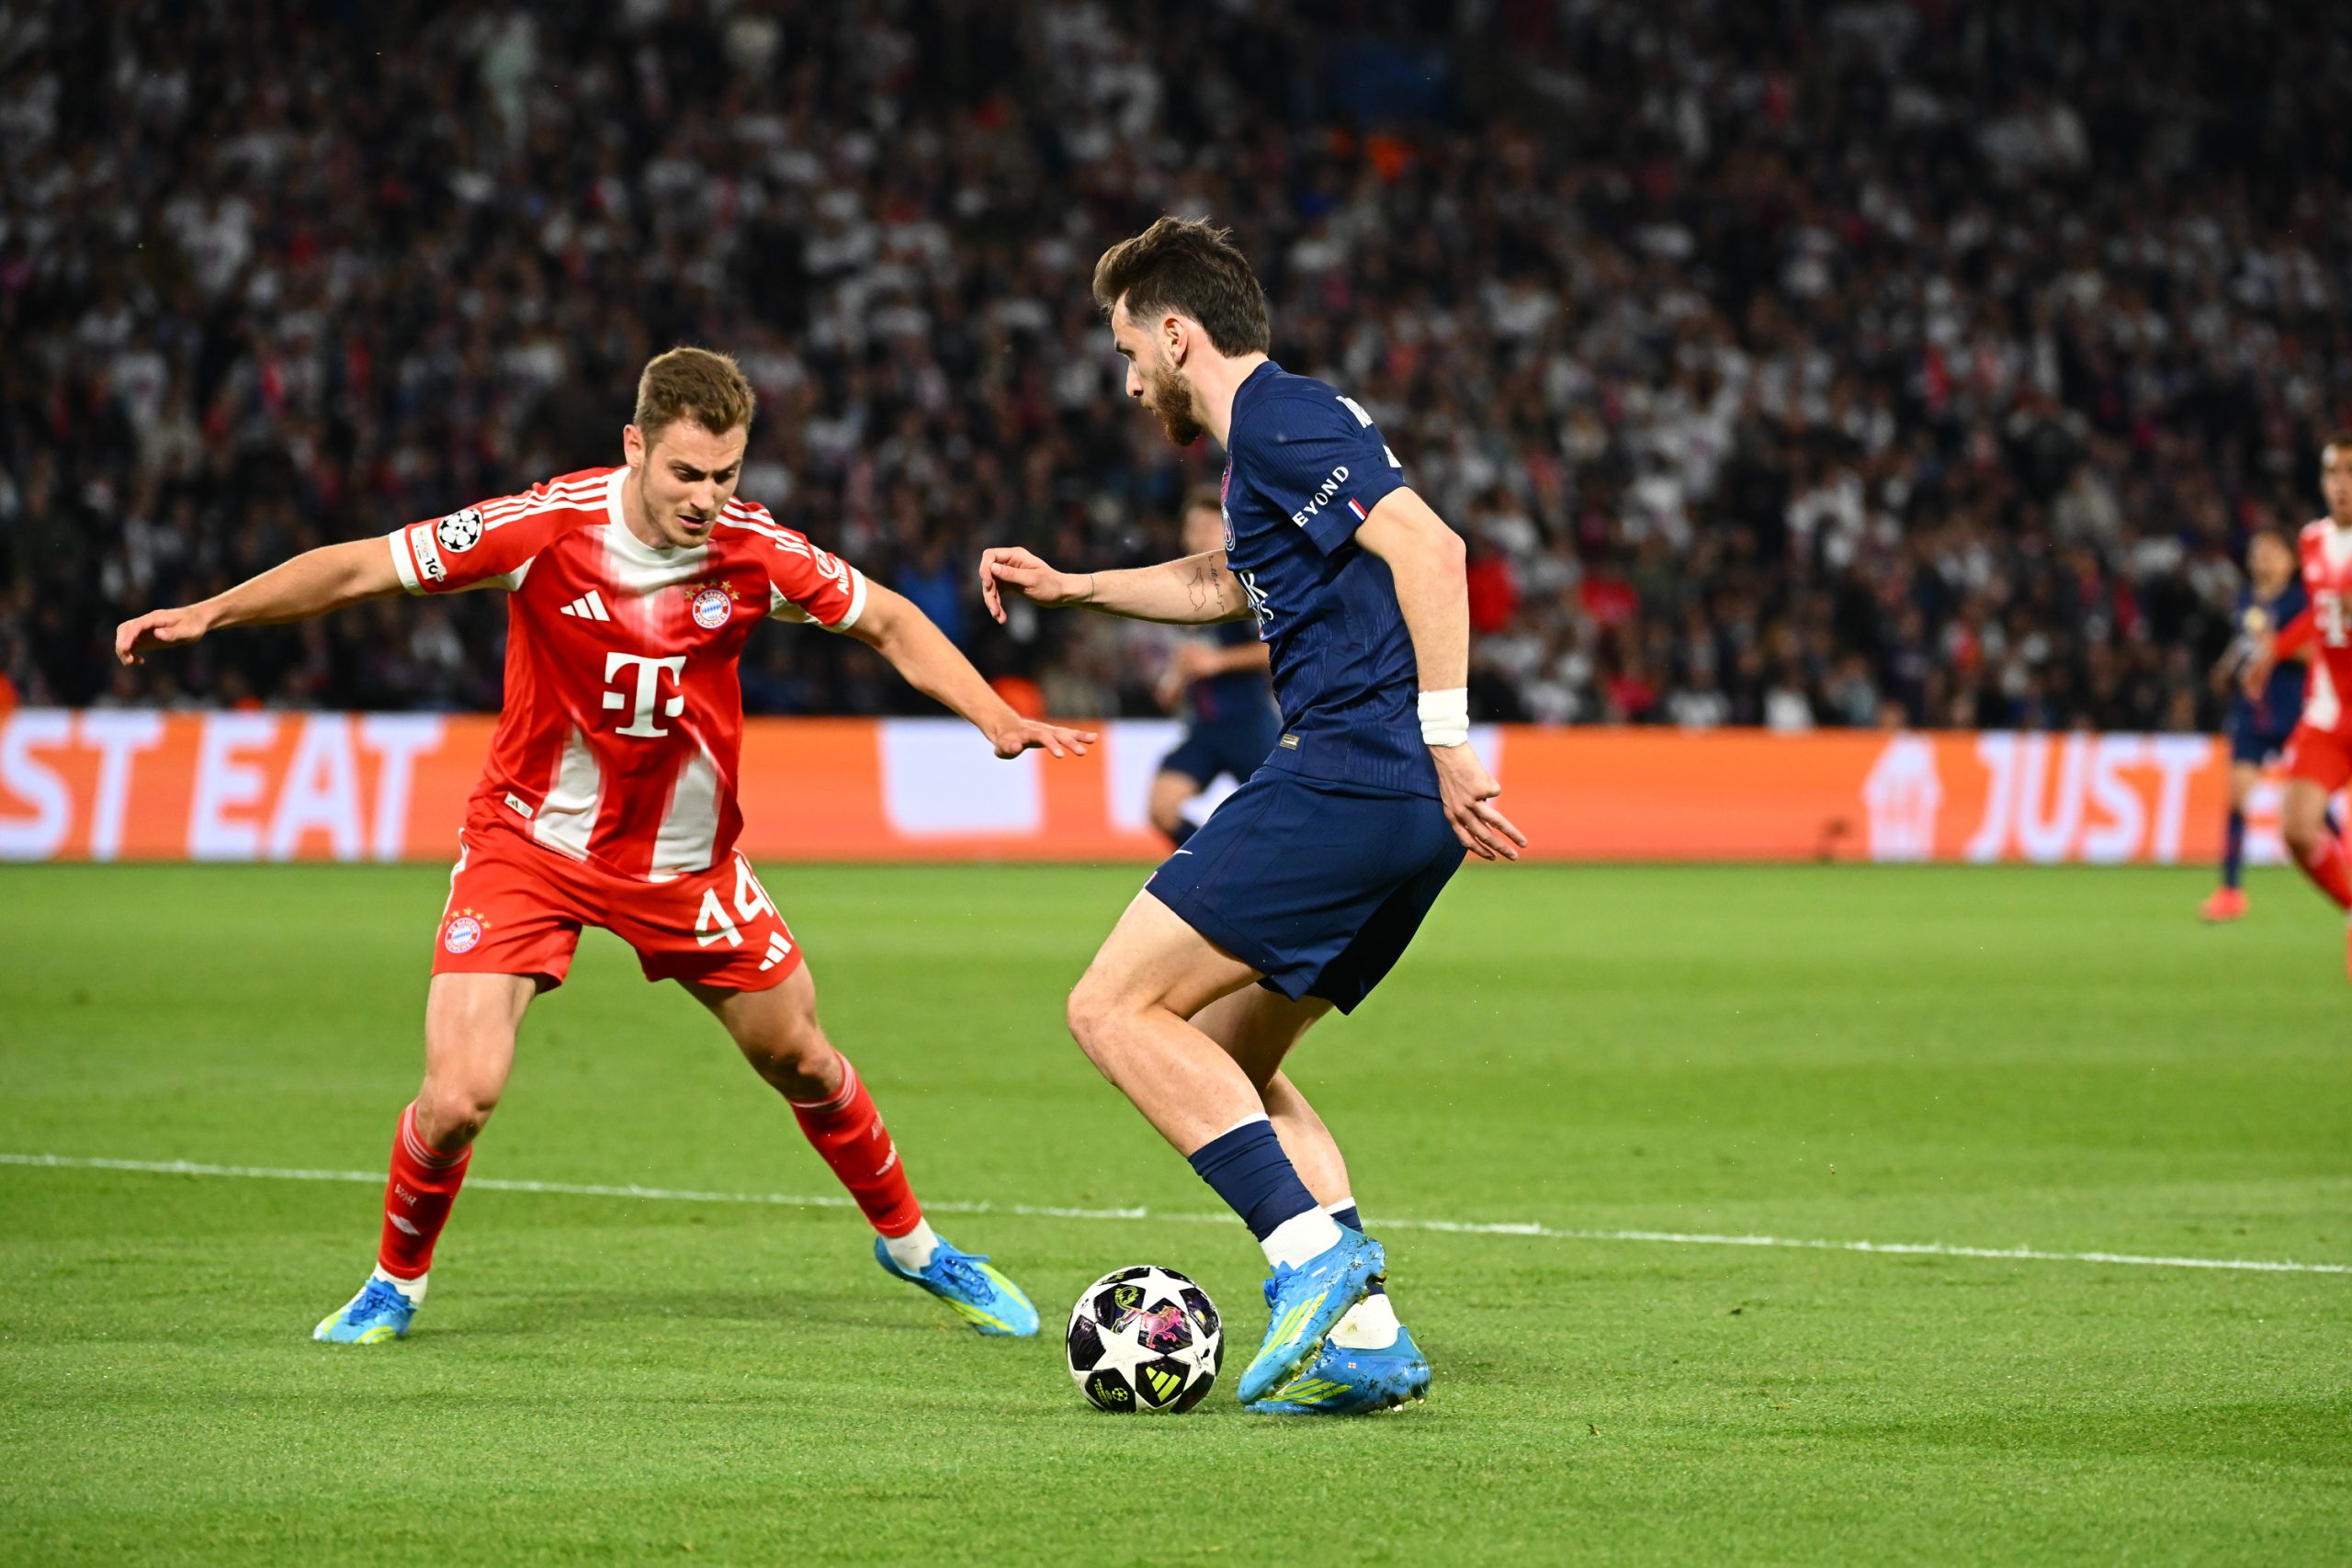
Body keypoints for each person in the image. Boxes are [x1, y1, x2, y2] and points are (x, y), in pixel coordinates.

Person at [116, 347, 1091, 1345]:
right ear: (635, 447)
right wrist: (212, 610)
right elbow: (367, 564)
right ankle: (394, 1283)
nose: (708, 498)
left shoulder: (755, 551)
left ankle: (917, 1247)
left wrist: (991, 716)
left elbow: (884, 619)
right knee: (457, 1098)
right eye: (685, 474)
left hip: (683, 863)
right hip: (529, 844)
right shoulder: (544, 527)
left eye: (726, 475)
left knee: (802, 1058)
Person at [978, 218, 1524, 1414]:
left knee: (1109, 1005)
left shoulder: (1279, 413)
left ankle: (1306, 1252)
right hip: (1393, 798)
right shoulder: (1265, 448)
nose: (1127, 380)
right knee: (1227, 1055)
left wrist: (1446, 741)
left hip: (1355, 768)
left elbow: (1434, 550)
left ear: (1180, 333)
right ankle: (1371, 1336)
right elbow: (1226, 579)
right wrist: (1075, 586)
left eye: (1129, 349)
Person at [2242, 434, 2352, 977]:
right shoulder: (2312, 542)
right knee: (2298, 827)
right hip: (2330, 718)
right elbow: (2317, 614)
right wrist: (2276, 650)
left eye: (2351, 474)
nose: (2342, 486)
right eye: (2334, 473)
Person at [1148, 486, 1281, 847]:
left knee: (1280, 821)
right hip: (1205, 727)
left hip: (1249, 722)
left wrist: (1218, 662)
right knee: (1162, 807)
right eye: (1193, 528)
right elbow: (1189, 660)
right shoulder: (1187, 597)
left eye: (1209, 527)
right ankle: (1208, 867)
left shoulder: (1245, 588)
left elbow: (1274, 651)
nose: (1199, 536)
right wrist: (1175, 681)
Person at [2200, 528, 2307, 921]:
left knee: (2308, 808)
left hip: (2294, 711)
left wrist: (2277, 643)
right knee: (2235, 797)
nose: (2261, 558)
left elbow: (2316, 652)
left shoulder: (2301, 600)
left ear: (2290, 561)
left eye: (2270, 551)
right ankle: (2230, 891)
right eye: (2257, 551)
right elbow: (2245, 644)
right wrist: (2227, 667)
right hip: (2253, 714)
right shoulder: (2246, 600)